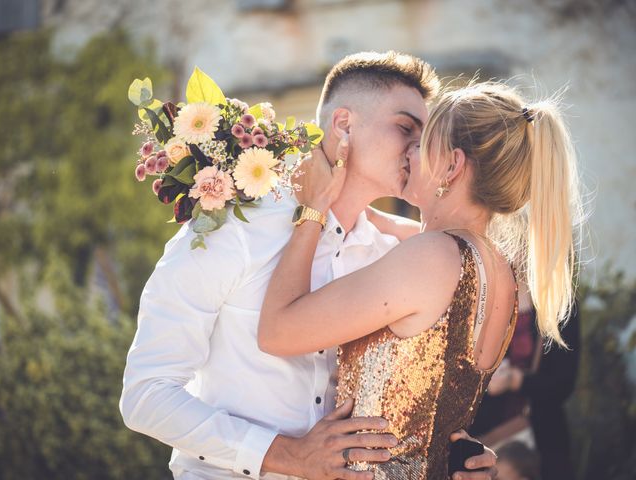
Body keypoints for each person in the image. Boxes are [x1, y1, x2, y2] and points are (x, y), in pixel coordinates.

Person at [119, 51, 498, 480]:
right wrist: (283, 454)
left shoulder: (392, 258)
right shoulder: (233, 228)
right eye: (406, 128)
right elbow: (145, 395)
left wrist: (455, 452)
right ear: (343, 125)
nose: (420, 148)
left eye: (426, 136)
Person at [258, 81, 582, 479]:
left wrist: (312, 209)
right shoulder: (499, 269)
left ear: (452, 165)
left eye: (423, 140)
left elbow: (277, 331)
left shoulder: (429, 258)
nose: (409, 150)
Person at [471, 283, 580, 480]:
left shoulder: (559, 300)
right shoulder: (476, 288)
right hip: (481, 440)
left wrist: (516, 381)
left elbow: (564, 383)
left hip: (540, 438)